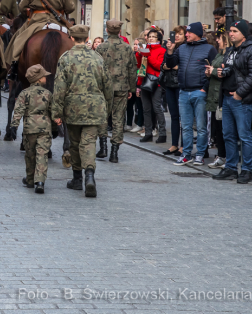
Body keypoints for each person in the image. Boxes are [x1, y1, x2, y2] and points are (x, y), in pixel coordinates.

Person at [51, 25, 112, 198]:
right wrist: (107, 108)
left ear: (71, 38)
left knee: (75, 144)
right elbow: (107, 85)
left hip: (73, 108)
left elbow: (59, 88)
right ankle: (90, 176)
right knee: (89, 143)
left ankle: (77, 179)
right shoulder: (97, 57)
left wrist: (56, 112)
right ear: (86, 39)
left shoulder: (65, 58)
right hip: (95, 107)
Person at [213, 20, 252, 183]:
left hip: (240, 99)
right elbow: (232, 68)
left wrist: (240, 94)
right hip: (227, 97)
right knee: (228, 134)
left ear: (243, 33)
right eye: (230, 31)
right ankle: (231, 168)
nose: (231, 33)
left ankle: (246, 170)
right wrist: (223, 72)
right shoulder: (231, 50)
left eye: (234, 31)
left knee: (244, 135)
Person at [4, 0, 73, 66]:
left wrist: (28, 11)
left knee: (17, 41)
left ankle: (13, 67)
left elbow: (21, 8)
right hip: (57, 22)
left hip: (35, 22)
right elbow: (70, 8)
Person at [166, 22, 217, 165]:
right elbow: (170, 64)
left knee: (201, 127)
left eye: (189, 32)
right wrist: (170, 51)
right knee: (186, 126)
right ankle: (186, 154)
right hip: (183, 92)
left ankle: (200, 154)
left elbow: (213, 70)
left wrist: (204, 88)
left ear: (197, 34)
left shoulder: (209, 49)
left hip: (199, 92)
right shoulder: (181, 48)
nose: (186, 34)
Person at [96, 20, 134, 163]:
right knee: (118, 119)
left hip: (104, 88)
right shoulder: (127, 48)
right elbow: (132, 69)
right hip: (122, 87)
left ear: (107, 30)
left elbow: (96, 68)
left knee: (103, 117)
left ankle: (103, 147)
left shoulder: (101, 47)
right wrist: (131, 87)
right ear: (119, 31)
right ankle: (114, 152)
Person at [12, 65, 54, 194]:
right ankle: (40, 181)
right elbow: (53, 112)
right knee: (42, 154)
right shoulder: (48, 94)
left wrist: (14, 126)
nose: (46, 78)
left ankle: (30, 179)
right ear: (39, 79)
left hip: (29, 128)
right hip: (44, 128)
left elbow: (18, 110)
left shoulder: (24, 93)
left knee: (30, 154)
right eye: (44, 76)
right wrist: (57, 126)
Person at [136, 28, 166, 142]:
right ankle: (148, 132)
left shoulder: (161, 50)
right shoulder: (146, 48)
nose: (151, 38)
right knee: (146, 109)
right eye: (149, 36)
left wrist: (148, 55)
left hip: (155, 82)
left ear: (158, 38)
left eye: (153, 36)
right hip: (144, 80)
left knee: (157, 107)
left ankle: (162, 133)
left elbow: (158, 66)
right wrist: (139, 55)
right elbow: (139, 65)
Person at [205, 32, 229, 169]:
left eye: (219, 39)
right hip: (214, 95)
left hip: (221, 95)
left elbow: (225, 72)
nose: (217, 41)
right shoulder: (219, 54)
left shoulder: (227, 55)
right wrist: (209, 72)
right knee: (218, 128)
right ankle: (221, 156)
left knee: (224, 129)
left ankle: (225, 157)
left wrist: (213, 71)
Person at [158, 27, 185, 153]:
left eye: (180, 34)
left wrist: (174, 67)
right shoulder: (170, 48)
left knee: (183, 117)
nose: (177, 36)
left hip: (180, 85)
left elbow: (183, 67)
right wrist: (169, 65)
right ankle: (174, 144)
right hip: (169, 84)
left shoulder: (185, 48)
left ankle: (183, 145)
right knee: (174, 116)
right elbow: (164, 66)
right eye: (176, 34)